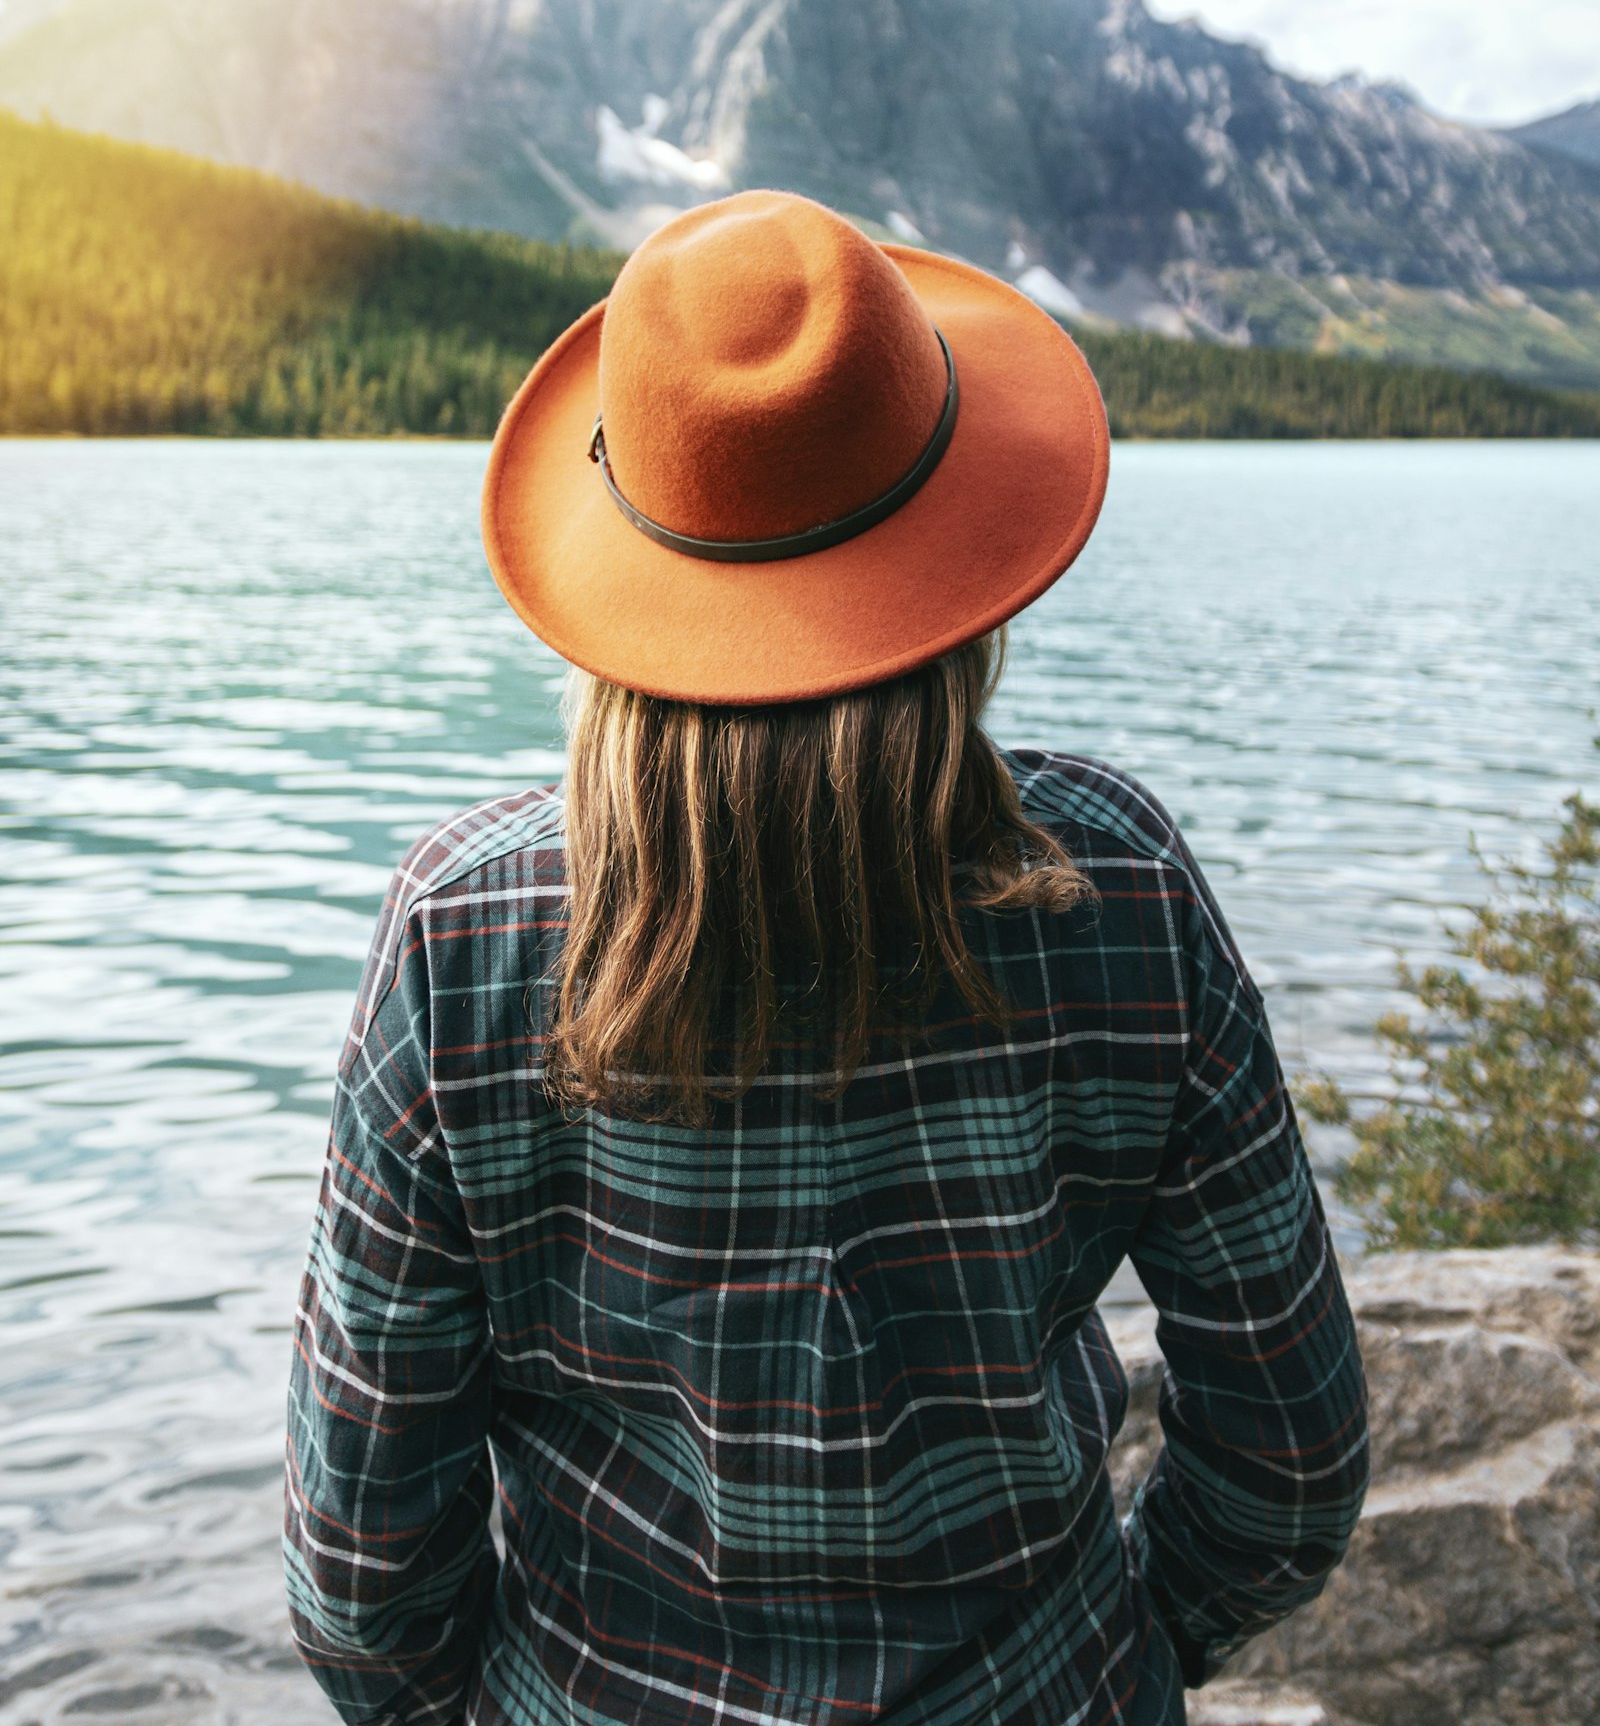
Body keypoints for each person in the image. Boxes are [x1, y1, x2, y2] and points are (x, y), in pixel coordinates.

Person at [285, 190, 1368, 1726]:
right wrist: (1125, 1650)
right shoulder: (1110, 886)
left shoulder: (460, 935)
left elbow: (359, 1574)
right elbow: (1293, 1460)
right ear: (957, 559)